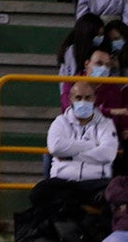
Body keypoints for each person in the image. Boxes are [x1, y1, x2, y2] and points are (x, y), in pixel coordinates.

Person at [29, 81, 118, 215]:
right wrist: (92, 145)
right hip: (64, 182)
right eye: (78, 97)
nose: (83, 101)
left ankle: (73, 207)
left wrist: (71, 155)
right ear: (71, 99)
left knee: (114, 193)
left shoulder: (106, 124)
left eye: (88, 97)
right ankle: (77, 208)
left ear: (95, 99)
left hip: (96, 183)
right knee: (39, 193)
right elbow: (55, 148)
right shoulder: (60, 122)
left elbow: (108, 154)